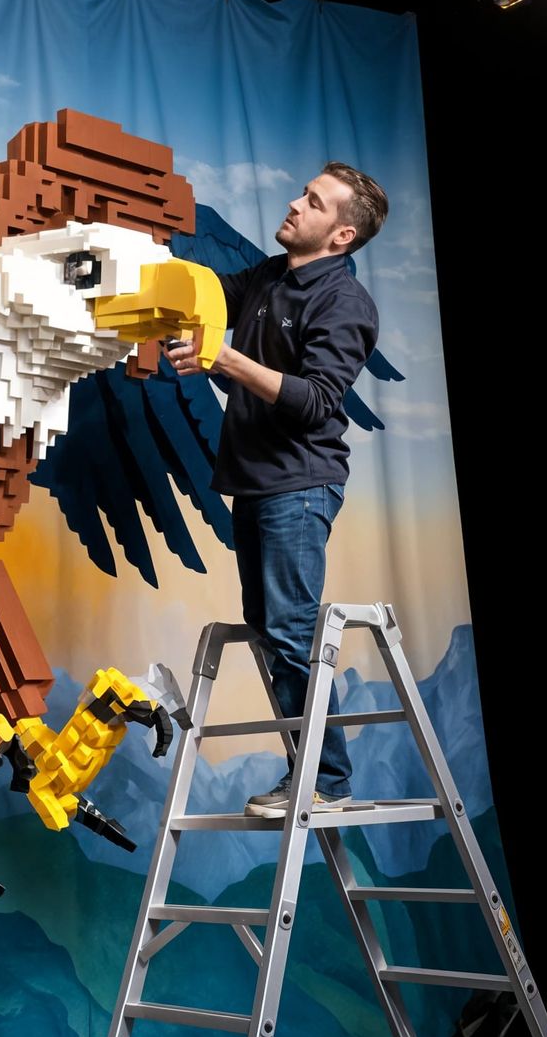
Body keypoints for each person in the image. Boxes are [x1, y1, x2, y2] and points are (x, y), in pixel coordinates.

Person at [165, 162, 386, 815]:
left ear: (340, 235)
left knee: (289, 629)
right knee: (269, 630)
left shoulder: (344, 303)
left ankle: (327, 781)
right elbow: (210, 296)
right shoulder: (268, 275)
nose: (294, 203)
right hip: (256, 483)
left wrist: (223, 358)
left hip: (301, 485)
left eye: (313, 202)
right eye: (302, 192)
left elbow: (317, 401)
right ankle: (315, 770)